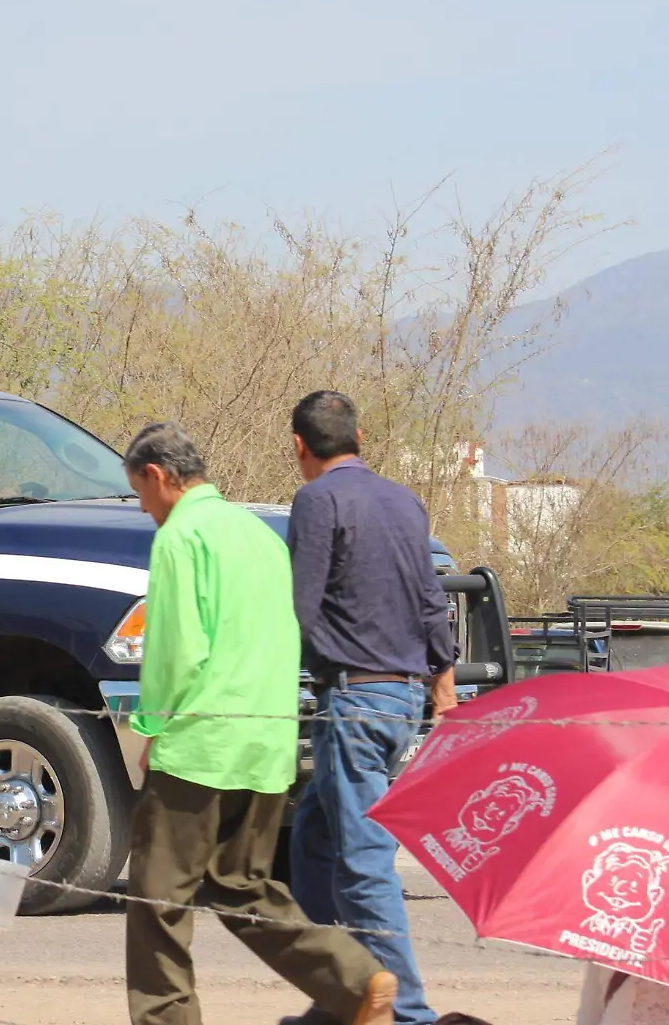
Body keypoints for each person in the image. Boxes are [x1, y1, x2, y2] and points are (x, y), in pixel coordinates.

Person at [121, 421, 397, 1025]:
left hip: (201, 744)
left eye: (142, 495)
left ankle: (167, 1019)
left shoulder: (181, 537)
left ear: (159, 477)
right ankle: (354, 981)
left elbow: (177, 648)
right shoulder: (259, 535)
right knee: (242, 887)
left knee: (156, 900)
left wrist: (149, 726)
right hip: (266, 741)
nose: (146, 510)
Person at [284, 391, 454, 1025]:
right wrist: (443, 681)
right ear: (361, 436)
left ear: (300, 445)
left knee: (362, 860)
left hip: (354, 699)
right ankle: (343, 992)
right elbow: (430, 596)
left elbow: (301, 606)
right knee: (314, 840)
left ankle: (408, 1012)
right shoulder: (404, 501)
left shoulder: (316, 500)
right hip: (403, 695)